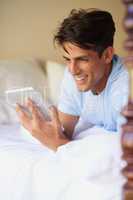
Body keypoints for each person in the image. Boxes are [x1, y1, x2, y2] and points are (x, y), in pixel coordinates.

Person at [16, 8, 129, 151]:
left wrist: (59, 145)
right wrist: (42, 131)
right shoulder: (72, 77)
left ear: (107, 55)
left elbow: (125, 153)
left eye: (82, 59)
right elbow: (64, 132)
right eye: (68, 60)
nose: (72, 70)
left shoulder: (126, 88)